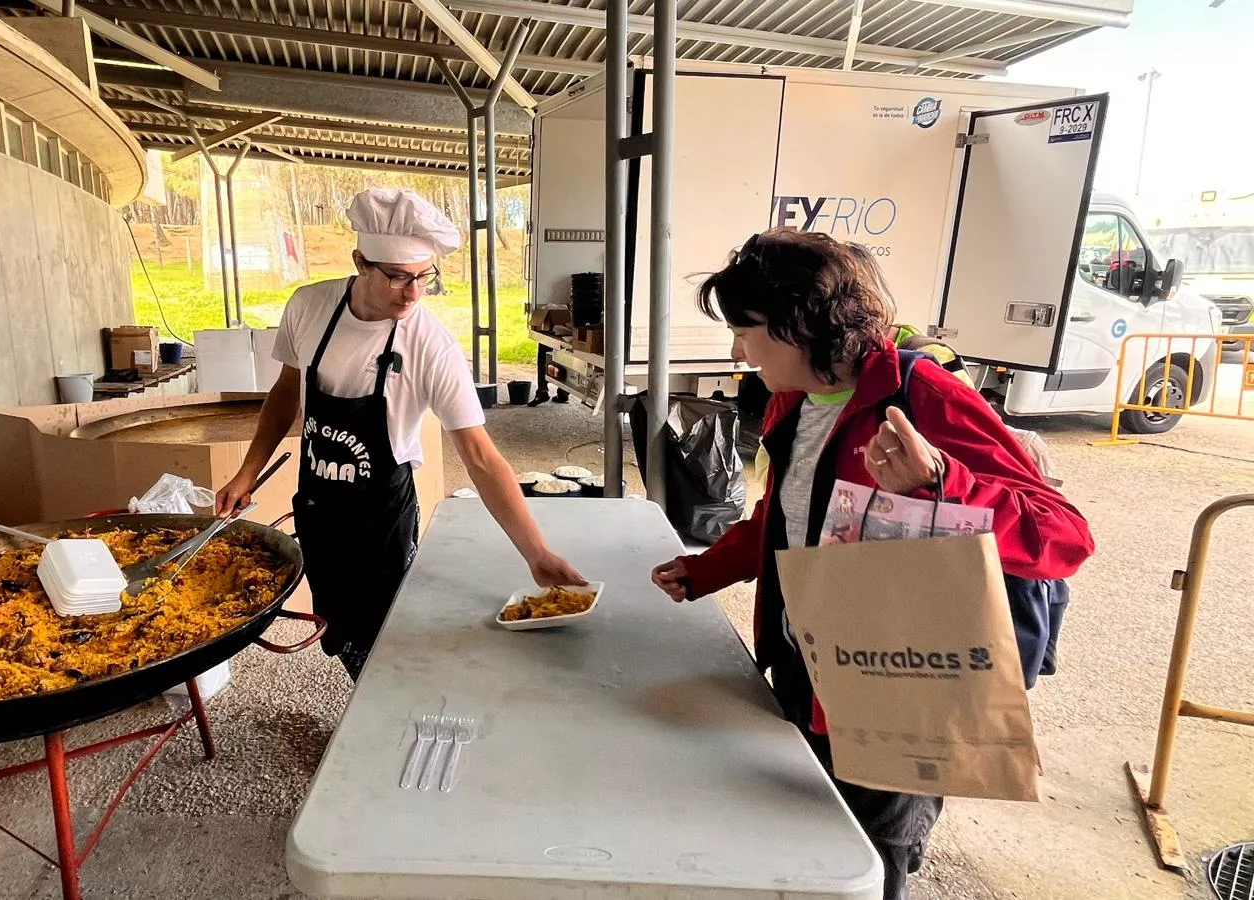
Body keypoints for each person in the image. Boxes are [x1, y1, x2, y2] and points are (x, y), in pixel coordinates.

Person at [648, 229, 1093, 900]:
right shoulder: (794, 399)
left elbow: (1063, 536)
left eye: (745, 331)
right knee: (803, 843)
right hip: (808, 666)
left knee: (869, 861)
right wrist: (708, 567)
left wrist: (943, 483)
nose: (738, 351)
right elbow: (789, 512)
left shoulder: (922, 394)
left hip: (902, 690)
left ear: (801, 323)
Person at [216, 188, 584, 679]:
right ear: (360, 262)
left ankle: (383, 700)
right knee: (339, 625)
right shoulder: (309, 306)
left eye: (424, 277)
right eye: (397, 277)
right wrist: (247, 473)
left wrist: (536, 552)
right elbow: (286, 391)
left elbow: (480, 457)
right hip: (319, 506)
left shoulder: (431, 345)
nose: (413, 293)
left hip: (381, 518)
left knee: (388, 636)